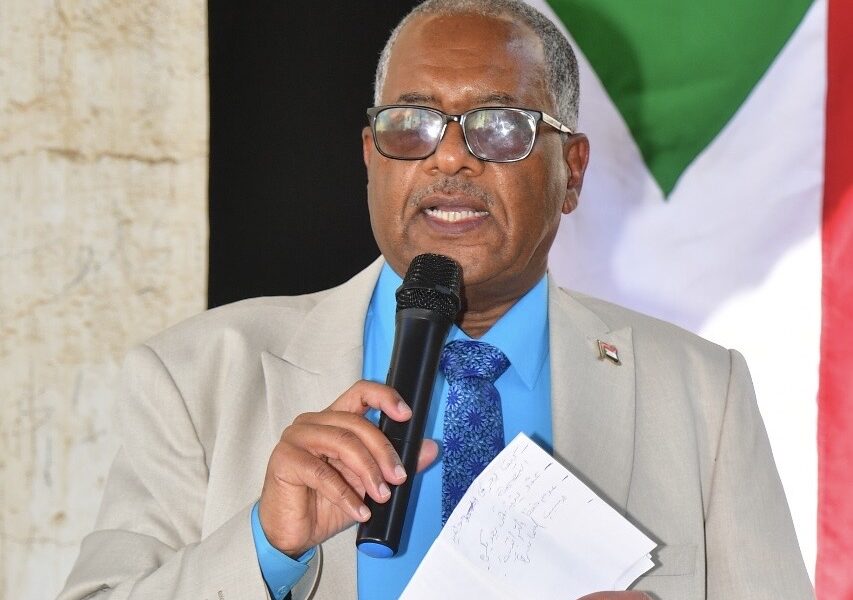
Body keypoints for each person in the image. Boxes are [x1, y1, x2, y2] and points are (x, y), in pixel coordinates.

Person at [58, 1, 814, 599]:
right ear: (371, 158)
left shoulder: (700, 393)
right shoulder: (200, 376)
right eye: (412, 124)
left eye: (501, 126)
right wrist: (264, 546)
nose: (449, 156)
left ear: (573, 171)